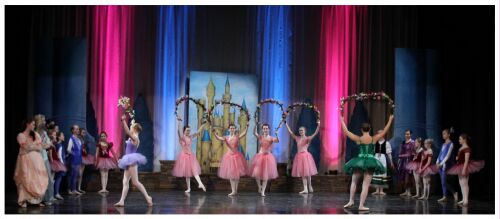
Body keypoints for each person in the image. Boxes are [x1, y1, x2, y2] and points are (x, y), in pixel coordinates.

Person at [340, 114, 394, 211]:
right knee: (365, 185)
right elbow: (385, 130)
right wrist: (390, 119)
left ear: (361, 129)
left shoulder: (359, 139)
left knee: (354, 181)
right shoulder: (374, 139)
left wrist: (342, 121)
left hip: (359, 161)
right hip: (369, 162)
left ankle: (351, 201)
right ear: (370, 129)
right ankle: (361, 205)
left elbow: (346, 132)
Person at [115, 114, 152, 207]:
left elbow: (127, 131)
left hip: (131, 161)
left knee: (135, 182)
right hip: (128, 160)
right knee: (125, 181)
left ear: (135, 129)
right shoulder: (133, 136)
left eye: (132, 126)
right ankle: (122, 201)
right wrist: (131, 115)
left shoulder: (135, 138)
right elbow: (131, 126)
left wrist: (123, 120)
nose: (131, 127)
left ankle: (148, 197)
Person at [14, 119, 49, 207]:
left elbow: (40, 147)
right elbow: (26, 147)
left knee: (37, 179)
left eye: (34, 124)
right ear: (27, 124)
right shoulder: (21, 135)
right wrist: (34, 147)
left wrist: (35, 147)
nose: (34, 126)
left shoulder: (36, 135)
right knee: (26, 178)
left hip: (37, 160)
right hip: (25, 160)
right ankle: (23, 200)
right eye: (33, 124)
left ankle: (36, 200)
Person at [447, 134, 484, 207]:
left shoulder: (467, 148)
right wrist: (457, 158)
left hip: (464, 166)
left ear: (464, 140)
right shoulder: (461, 148)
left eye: (460, 139)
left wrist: (464, 169)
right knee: (461, 183)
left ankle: (466, 200)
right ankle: (464, 199)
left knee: (465, 184)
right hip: (459, 166)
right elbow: (460, 157)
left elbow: (466, 161)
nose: (459, 141)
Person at [284, 120, 320, 194]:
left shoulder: (307, 138)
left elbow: (315, 133)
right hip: (299, 157)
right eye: (300, 130)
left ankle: (310, 186)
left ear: (305, 131)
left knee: (308, 173)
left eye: (302, 130)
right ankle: (305, 188)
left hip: (306, 156)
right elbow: (290, 132)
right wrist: (286, 123)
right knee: (304, 174)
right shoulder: (297, 138)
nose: (300, 131)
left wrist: (318, 125)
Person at [213, 124, 248, 196]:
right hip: (229, 157)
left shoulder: (237, 136)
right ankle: (233, 190)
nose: (232, 129)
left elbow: (244, 134)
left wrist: (247, 127)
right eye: (231, 128)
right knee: (231, 175)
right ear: (229, 129)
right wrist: (215, 134)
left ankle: (236, 190)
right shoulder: (226, 137)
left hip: (237, 157)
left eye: (233, 128)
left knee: (237, 175)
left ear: (235, 129)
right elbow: (219, 138)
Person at [173, 121, 207, 193]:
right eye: (187, 130)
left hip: (191, 156)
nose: (188, 131)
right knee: (187, 174)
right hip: (184, 157)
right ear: (184, 131)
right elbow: (178, 131)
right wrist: (178, 122)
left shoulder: (190, 137)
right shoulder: (182, 138)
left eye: (189, 130)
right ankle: (189, 188)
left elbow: (198, 132)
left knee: (195, 171)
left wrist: (203, 124)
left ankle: (200, 184)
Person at [249, 123, 279, 197]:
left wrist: (277, 134)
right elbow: (254, 133)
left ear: (269, 129)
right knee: (256, 173)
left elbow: (277, 140)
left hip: (268, 157)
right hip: (260, 156)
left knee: (265, 176)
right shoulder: (261, 137)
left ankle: (263, 191)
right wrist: (255, 125)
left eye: (266, 128)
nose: (265, 130)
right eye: (264, 128)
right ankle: (259, 186)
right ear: (262, 130)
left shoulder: (271, 138)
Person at [34, 114, 56, 204]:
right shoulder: (34, 133)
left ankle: (47, 198)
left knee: (49, 179)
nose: (44, 122)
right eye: (43, 120)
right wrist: (46, 145)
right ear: (38, 121)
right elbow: (37, 145)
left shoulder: (45, 132)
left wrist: (51, 142)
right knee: (39, 179)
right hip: (37, 158)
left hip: (44, 157)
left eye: (44, 120)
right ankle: (39, 198)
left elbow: (47, 144)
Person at [436, 128, 458, 203]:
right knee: (443, 181)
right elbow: (440, 153)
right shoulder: (443, 144)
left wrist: (441, 164)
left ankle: (452, 193)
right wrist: (437, 161)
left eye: (444, 134)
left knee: (444, 181)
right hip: (440, 164)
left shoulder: (451, 144)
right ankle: (446, 195)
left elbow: (448, 156)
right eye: (442, 134)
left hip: (446, 164)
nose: (443, 135)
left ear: (449, 134)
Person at [370, 130, 394, 195]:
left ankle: (381, 190)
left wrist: (391, 162)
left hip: (383, 158)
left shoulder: (386, 143)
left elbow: (389, 153)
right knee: (376, 173)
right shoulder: (376, 142)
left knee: (382, 172)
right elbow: (373, 151)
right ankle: (377, 190)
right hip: (376, 158)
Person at [66, 125, 83, 195]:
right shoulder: (71, 139)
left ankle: (74, 189)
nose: (77, 130)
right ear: (72, 130)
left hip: (78, 158)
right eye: (75, 129)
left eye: (78, 129)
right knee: (72, 174)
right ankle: (70, 189)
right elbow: (68, 149)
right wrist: (74, 153)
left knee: (76, 174)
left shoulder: (79, 139)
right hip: (73, 159)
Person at [397, 129, 415, 197]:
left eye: (408, 134)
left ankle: (409, 192)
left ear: (411, 135)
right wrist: (400, 157)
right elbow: (401, 151)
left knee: (409, 176)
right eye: (406, 134)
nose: (407, 135)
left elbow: (412, 153)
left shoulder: (412, 142)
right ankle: (405, 191)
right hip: (403, 161)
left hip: (409, 161)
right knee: (404, 176)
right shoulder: (403, 142)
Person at [51, 132, 67, 200]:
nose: (63, 136)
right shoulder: (59, 145)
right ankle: (56, 193)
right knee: (58, 178)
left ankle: (54, 193)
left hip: (57, 163)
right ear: (59, 137)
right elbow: (59, 156)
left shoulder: (57, 144)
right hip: (59, 163)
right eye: (62, 135)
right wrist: (62, 164)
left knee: (55, 178)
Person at [78, 128, 95, 193]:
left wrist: (85, 148)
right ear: (80, 132)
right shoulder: (78, 139)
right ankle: (75, 188)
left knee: (81, 173)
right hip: (79, 157)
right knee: (78, 173)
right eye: (83, 132)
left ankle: (79, 188)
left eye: (84, 133)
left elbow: (84, 147)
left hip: (84, 157)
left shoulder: (83, 139)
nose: (84, 134)